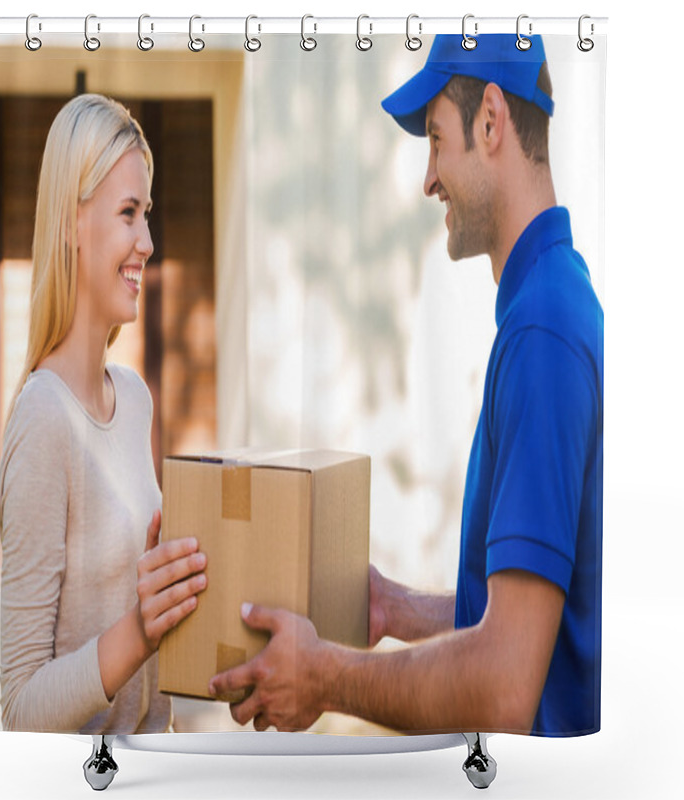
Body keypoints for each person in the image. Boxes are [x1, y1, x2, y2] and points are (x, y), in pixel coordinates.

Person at [208, 34, 603, 736]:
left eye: (436, 140)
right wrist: (393, 608)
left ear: (491, 121)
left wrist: (324, 676)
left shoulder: (542, 330)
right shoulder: (550, 303)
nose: (428, 179)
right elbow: (527, 612)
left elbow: (507, 682)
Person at [0, 94, 208, 734]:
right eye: (127, 214)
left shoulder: (135, 398)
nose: (147, 240)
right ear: (71, 222)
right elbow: (21, 711)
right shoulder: (43, 421)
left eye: (148, 214)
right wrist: (137, 633)